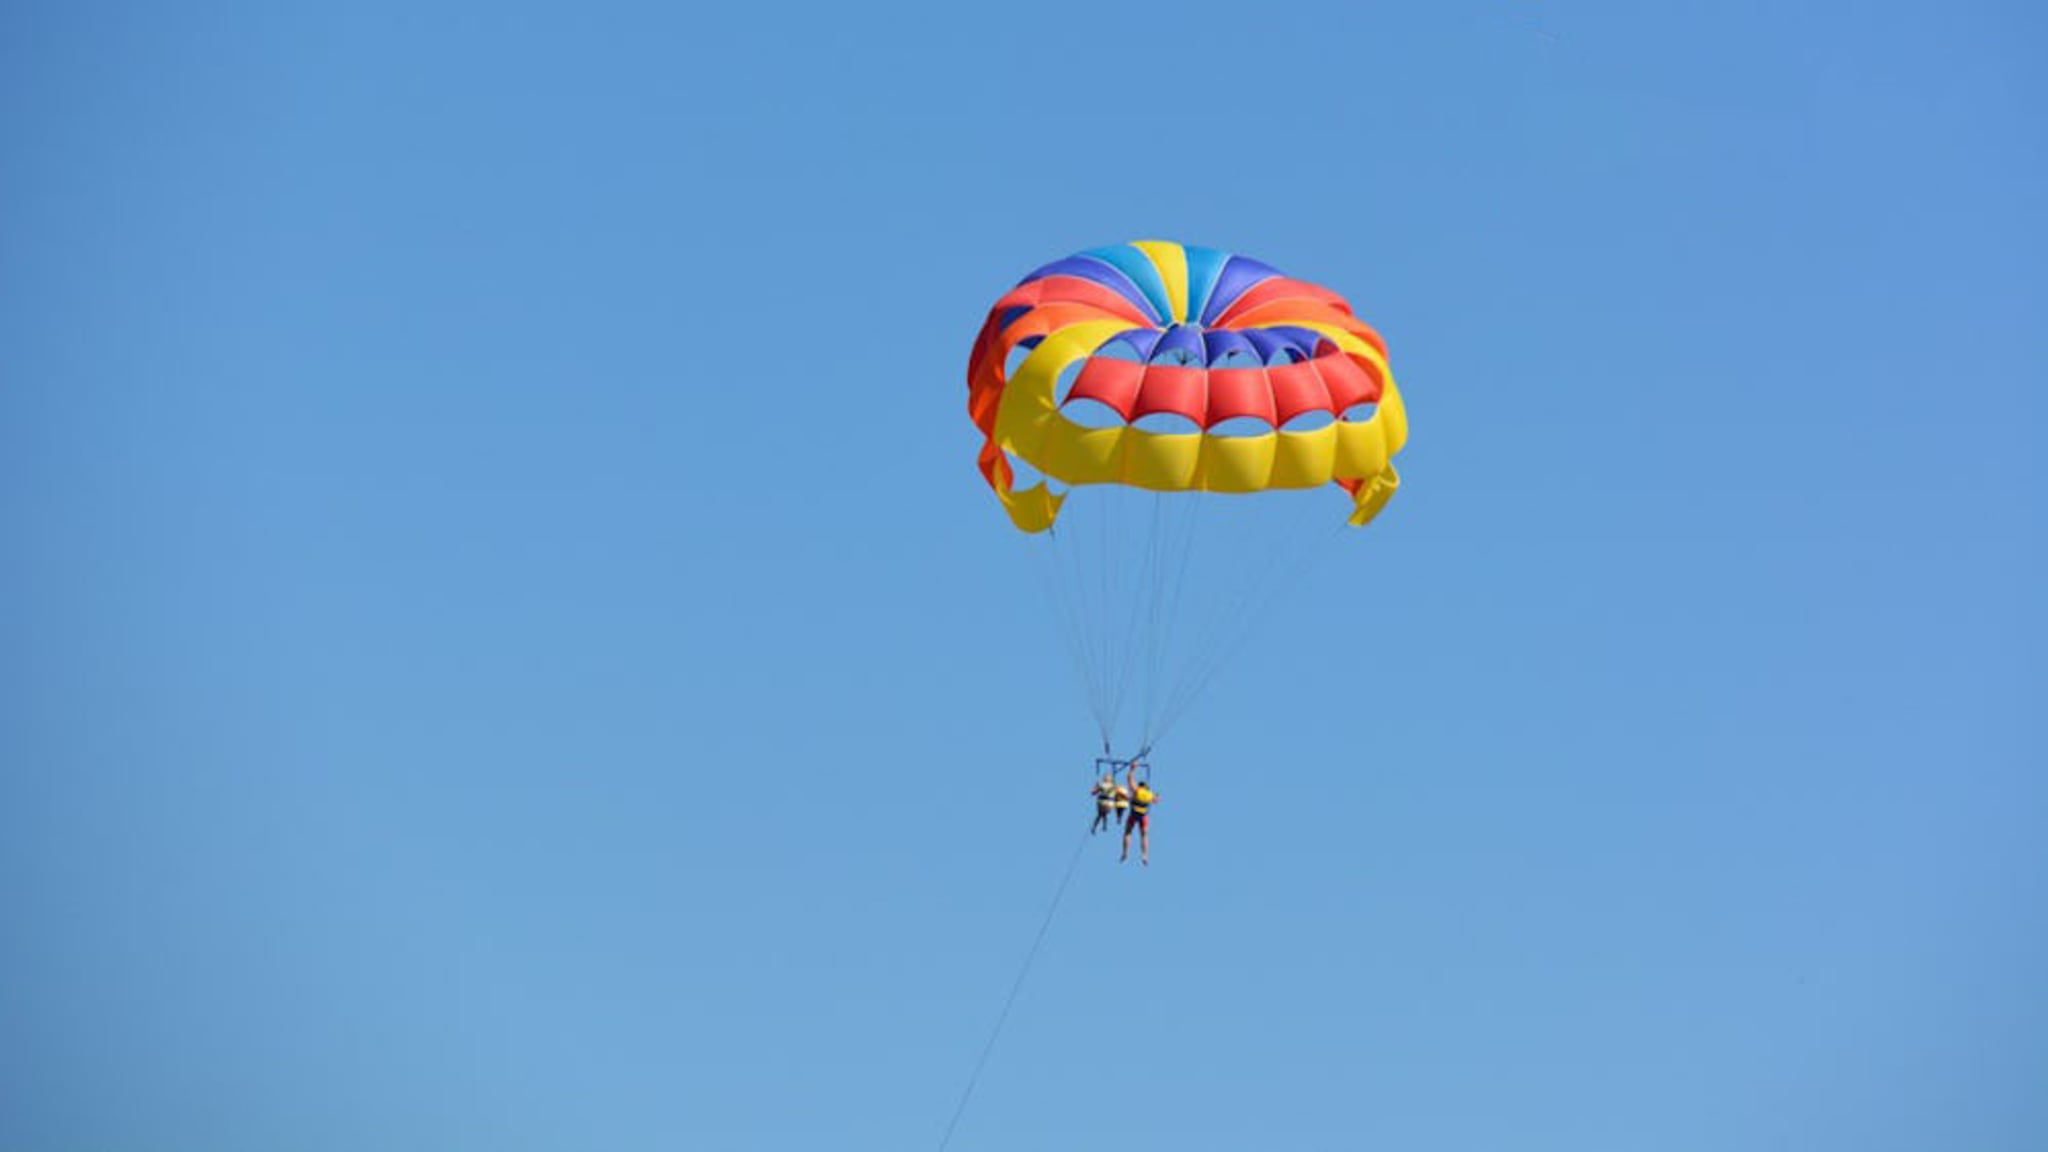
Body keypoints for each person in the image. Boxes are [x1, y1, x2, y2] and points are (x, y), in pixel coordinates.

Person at [1120, 764, 1156, 866]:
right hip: (1143, 816)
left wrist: (1132, 769)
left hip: (1134, 815)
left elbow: (1129, 779)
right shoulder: (1149, 795)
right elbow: (1156, 800)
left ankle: (1125, 852)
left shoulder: (1137, 791)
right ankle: (1145, 855)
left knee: (1128, 832)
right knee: (1144, 835)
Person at [1089, 770, 1120, 834]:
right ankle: (1103, 825)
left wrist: (1096, 787)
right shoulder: (1113, 786)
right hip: (1109, 804)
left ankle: (1096, 827)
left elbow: (1093, 792)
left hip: (1101, 803)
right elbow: (1117, 794)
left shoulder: (1102, 785)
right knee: (1103, 814)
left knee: (1100, 814)